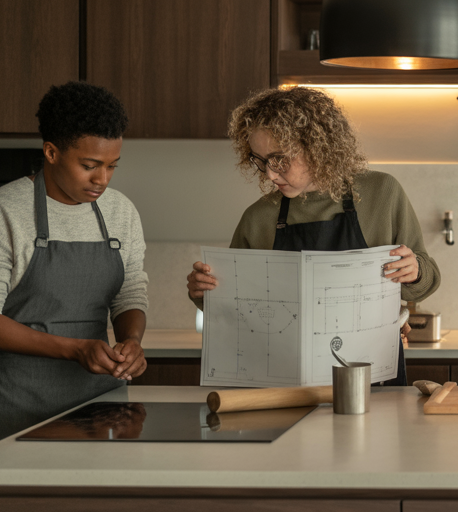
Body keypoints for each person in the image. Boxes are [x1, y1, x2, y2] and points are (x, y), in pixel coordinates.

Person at [185, 86, 440, 386]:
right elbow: (239, 312)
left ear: (318, 148)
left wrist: (414, 271)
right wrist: (205, 294)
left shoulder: (382, 194)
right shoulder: (258, 219)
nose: (269, 174)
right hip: (286, 383)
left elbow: (426, 281)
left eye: (279, 160)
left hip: (371, 378)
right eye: (260, 160)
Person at [0, 82, 149, 450]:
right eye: (89, 166)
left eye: (111, 166)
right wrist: (75, 350)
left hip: (101, 407)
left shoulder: (120, 211)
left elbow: (130, 291)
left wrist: (132, 342)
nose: (102, 180)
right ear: (52, 152)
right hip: (17, 404)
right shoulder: (2, 211)